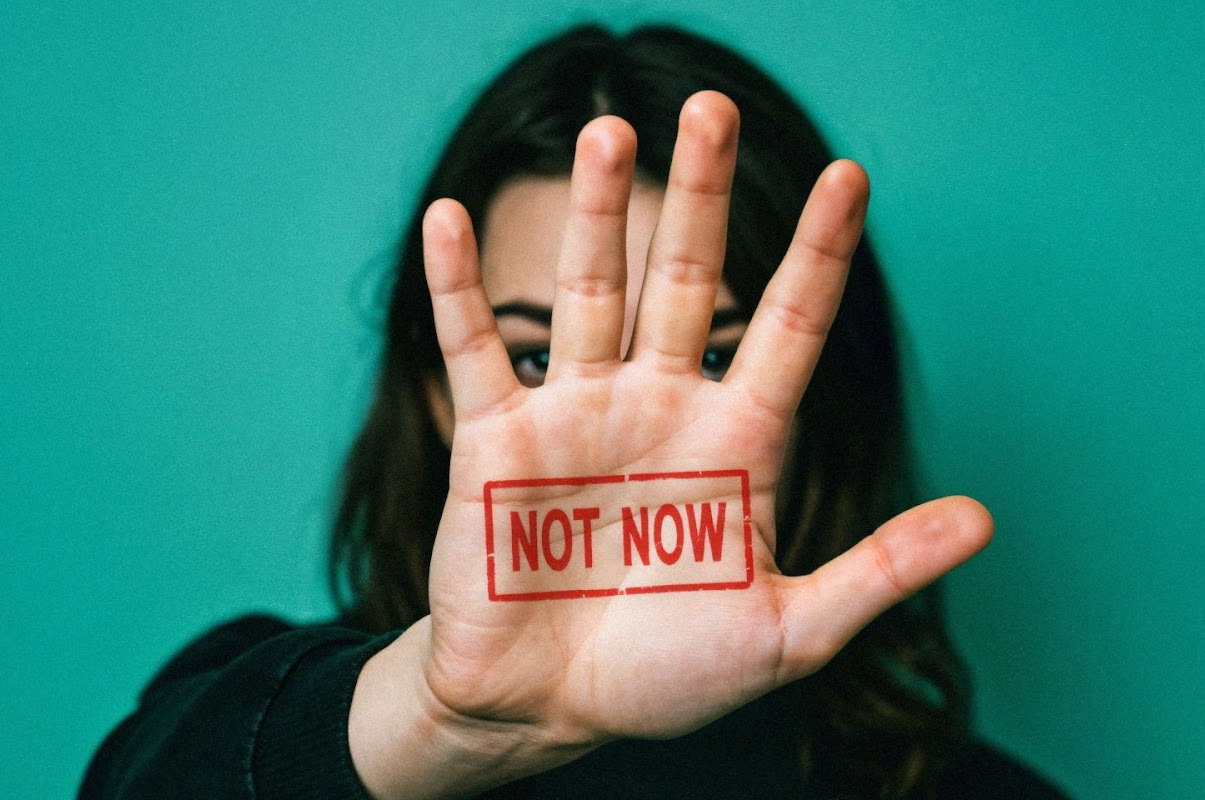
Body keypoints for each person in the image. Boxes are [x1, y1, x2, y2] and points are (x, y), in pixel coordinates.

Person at [80, 23, 1067, 800]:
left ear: (823, 397)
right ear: (432, 395)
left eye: (713, 353)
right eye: (535, 354)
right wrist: (438, 714)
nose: (620, 434)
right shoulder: (254, 710)